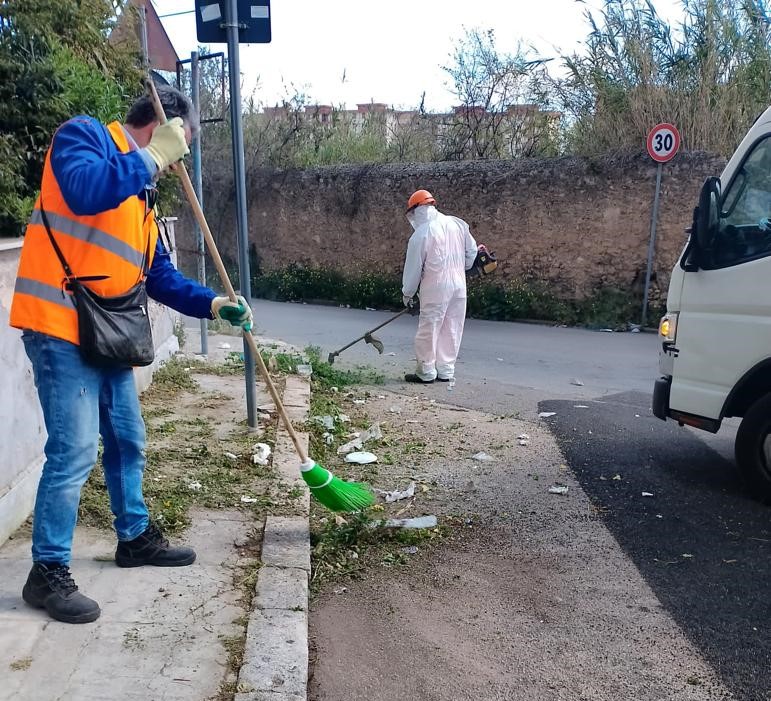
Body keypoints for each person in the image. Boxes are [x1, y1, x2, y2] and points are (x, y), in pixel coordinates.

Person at [9, 85, 253, 624]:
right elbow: (84, 191)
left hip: (109, 333)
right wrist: (153, 156)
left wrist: (214, 304)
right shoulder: (85, 138)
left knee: (127, 438)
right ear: (166, 127)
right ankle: (46, 571)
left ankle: (134, 536)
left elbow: (158, 274)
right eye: (182, 147)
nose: (177, 163)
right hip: (60, 326)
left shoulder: (142, 197)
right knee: (74, 451)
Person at [401, 189, 478, 384]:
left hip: (435, 288)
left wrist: (408, 294)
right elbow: (471, 253)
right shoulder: (457, 224)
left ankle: (426, 371)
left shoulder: (421, 234)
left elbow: (413, 268)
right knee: (452, 327)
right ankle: (446, 370)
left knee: (429, 329)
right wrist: (461, 267)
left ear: (415, 211)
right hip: (459, 286)